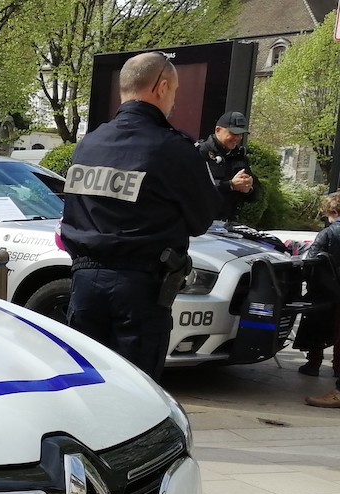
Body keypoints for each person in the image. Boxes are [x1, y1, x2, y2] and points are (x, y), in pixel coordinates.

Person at [59, 52, 221, 380]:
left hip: (84, 285)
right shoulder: (174, 149)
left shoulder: (88, 145)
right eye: (174, 91)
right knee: (136, 393)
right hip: (140, 292)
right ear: (161, 87)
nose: (174, 101)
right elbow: (202, 219)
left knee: (86, 386)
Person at [297, 192, 340, 390]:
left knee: (316, 324)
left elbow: (311, 261)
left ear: (333, 211)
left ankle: (313, 363)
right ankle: (338, 367)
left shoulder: (328, 233)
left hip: (326, 289)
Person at [197, 110, 260, 223]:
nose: (237, 138)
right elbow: (195, 188)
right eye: (233, 133)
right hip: (202, 223)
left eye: (240, 134)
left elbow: (256, 193)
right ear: (218, 130)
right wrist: (230, 185)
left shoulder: (239, 157)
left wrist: (248, 188)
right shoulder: (201, 152)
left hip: (229, 224)